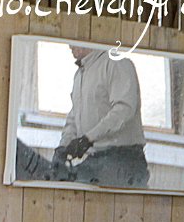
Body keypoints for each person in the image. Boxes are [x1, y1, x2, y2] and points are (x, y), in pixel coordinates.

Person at [55, 45, 150, 188]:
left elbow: (124, 110)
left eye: (72, 40)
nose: (69, 46)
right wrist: (63, 146)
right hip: (96, 160)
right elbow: (75, 115)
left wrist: (88, 138)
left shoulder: (116, 63)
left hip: (123, 160)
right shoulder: (80, 74)